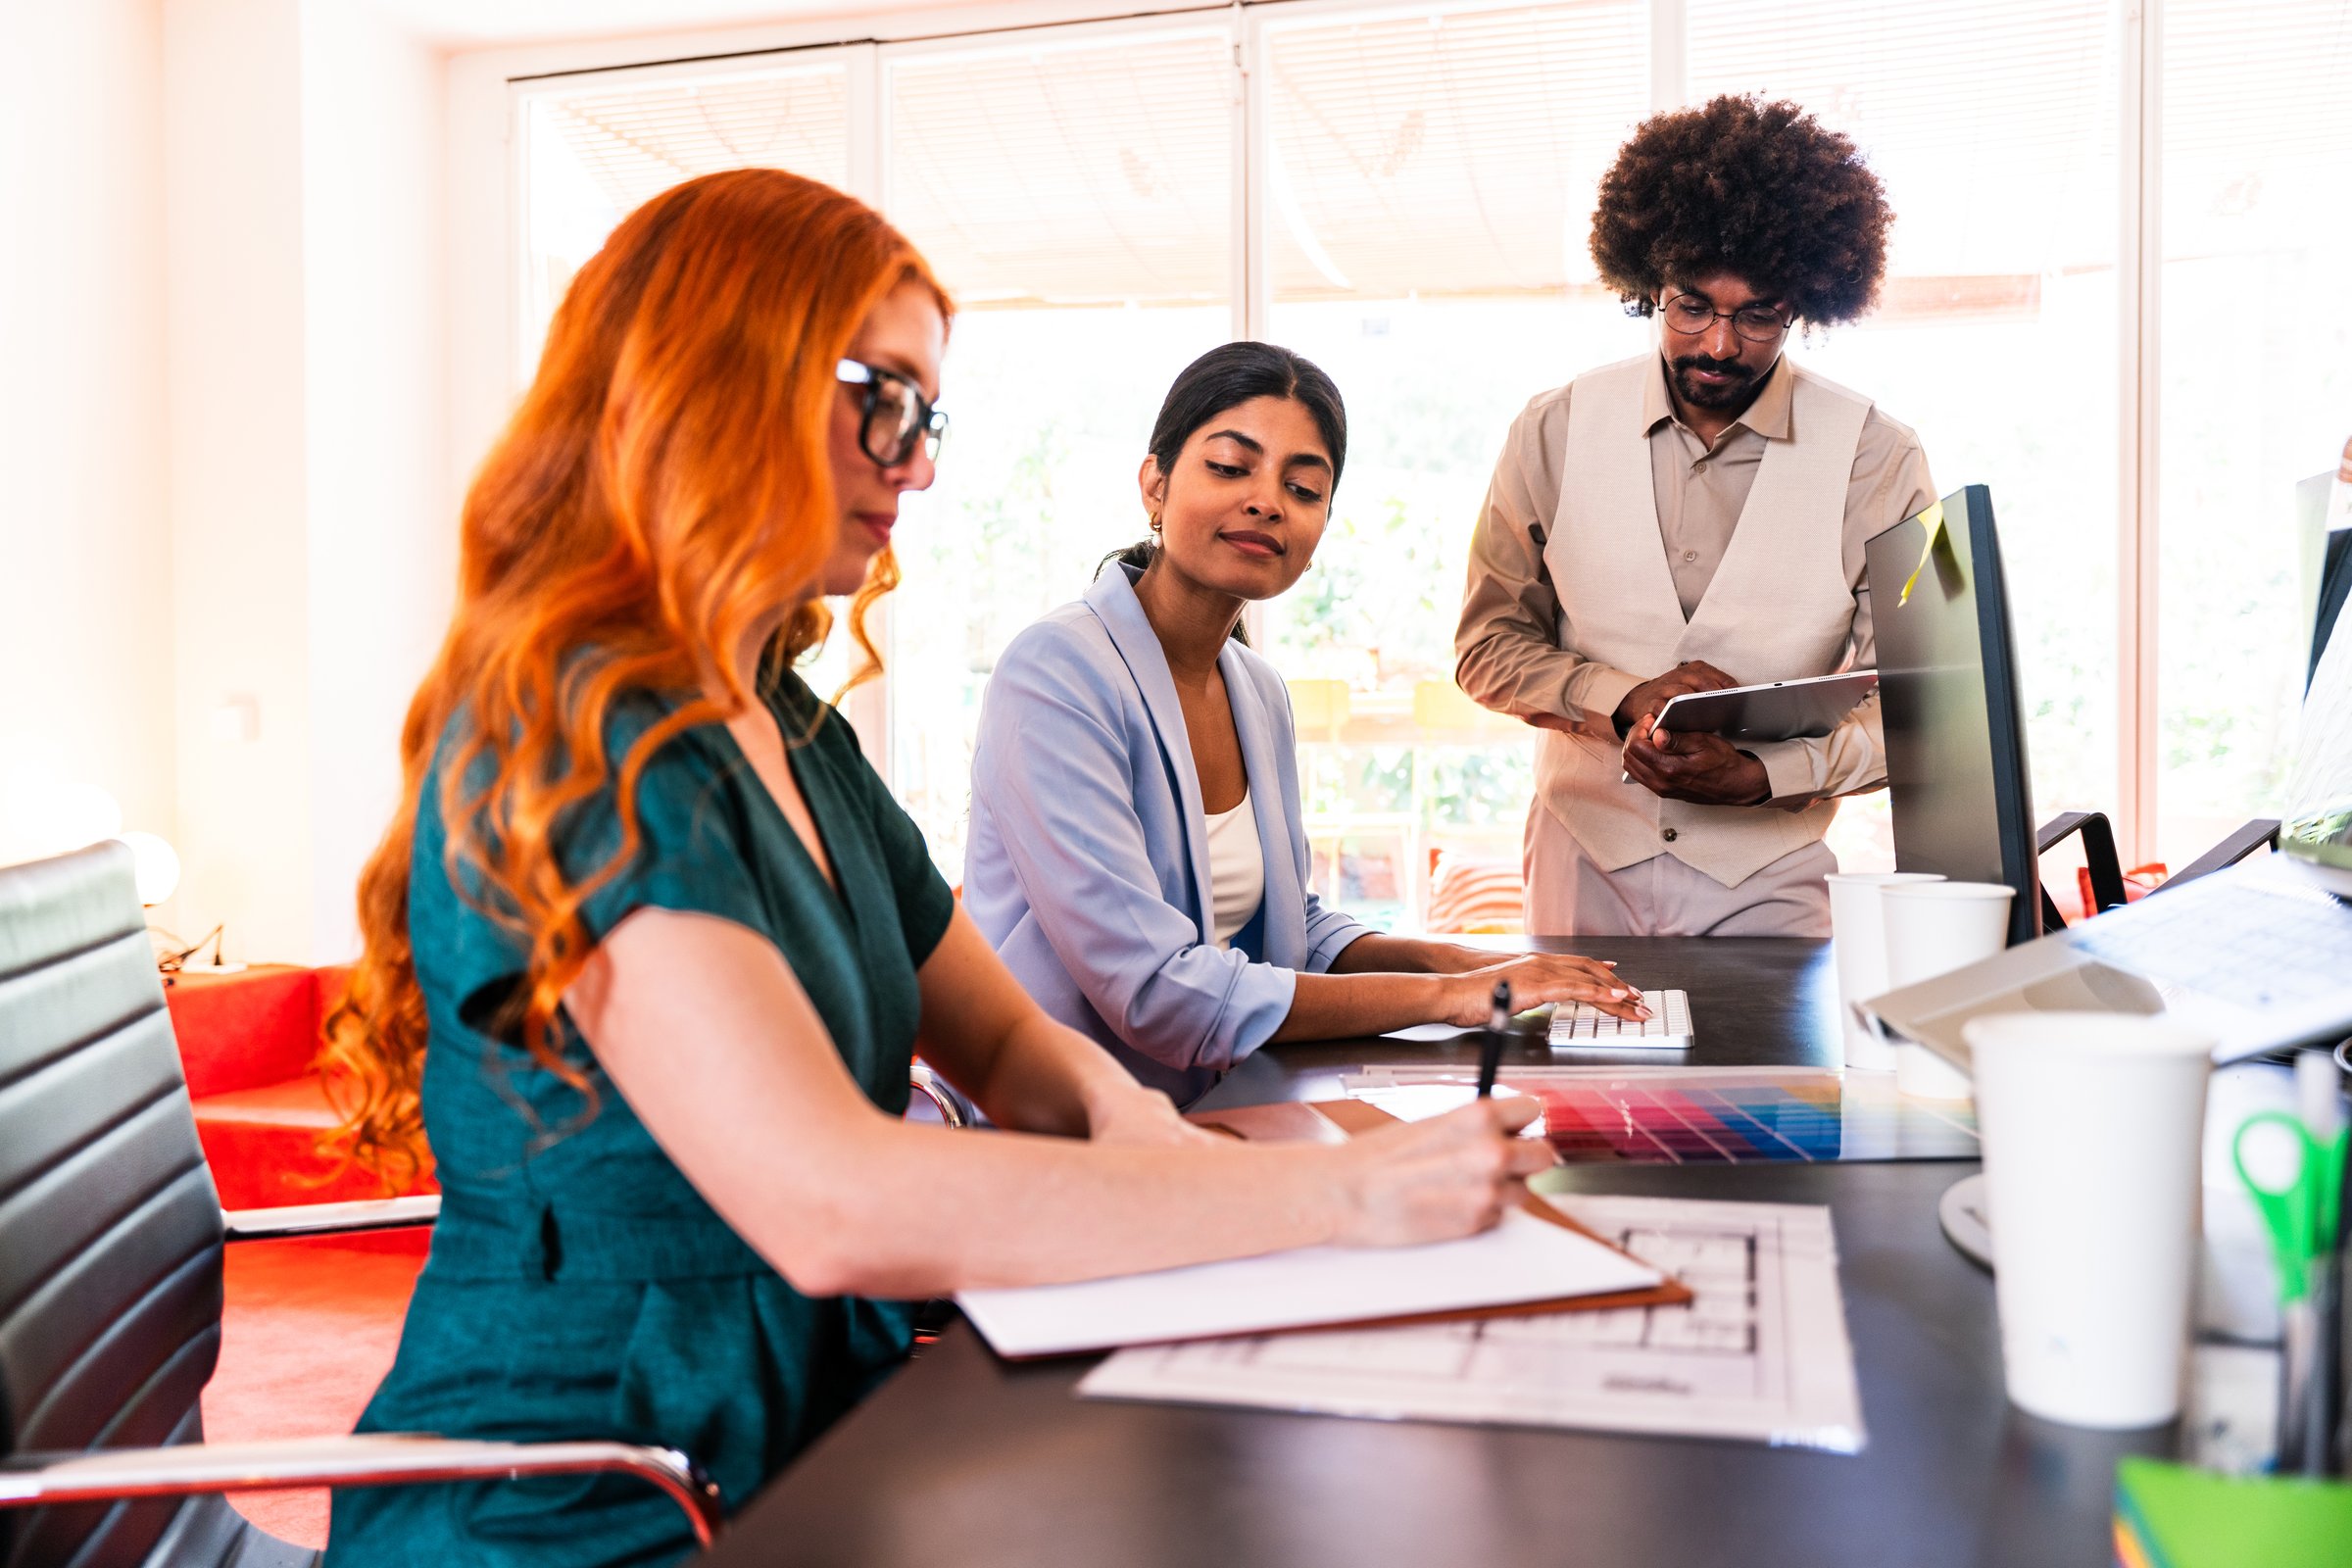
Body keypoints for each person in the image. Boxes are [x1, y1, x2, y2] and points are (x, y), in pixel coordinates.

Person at [318, 173, 1552, 1568]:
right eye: (884, 401)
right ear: (719, 380)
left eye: (930, 418)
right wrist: (1335, 1198)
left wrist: (1138, 1137)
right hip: (592, 1493)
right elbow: (834, 1200)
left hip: (805, 1431)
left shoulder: (790, 727)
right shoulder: (587, 732)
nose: (918, 464)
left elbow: (1015, 1045)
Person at [963, 342, 1644, 1106]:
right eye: (1230, 467)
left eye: (1303, 487)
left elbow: (1296, 931)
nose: (1266, 501)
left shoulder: (1255, 687)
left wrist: (1466, 963)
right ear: (1155, 483)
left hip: (1224, 1101)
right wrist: (1460, 998)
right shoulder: (1056, 672)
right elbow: (1154, 990)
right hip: (1075, 1126)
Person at [1454, 95, 1938, 938]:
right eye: (1693, 306)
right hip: (1581, 859)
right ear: (1648, 285)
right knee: (1578, 1073)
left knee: (1778, 1077)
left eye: (1758, 314)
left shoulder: (1882, 458)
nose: (1720, 344)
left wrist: (1766, 774)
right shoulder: (1552, 430)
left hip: (1772, 877)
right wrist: (1623, 697)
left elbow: (1920, 707)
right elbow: (1485, 650)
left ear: (1806, 305)